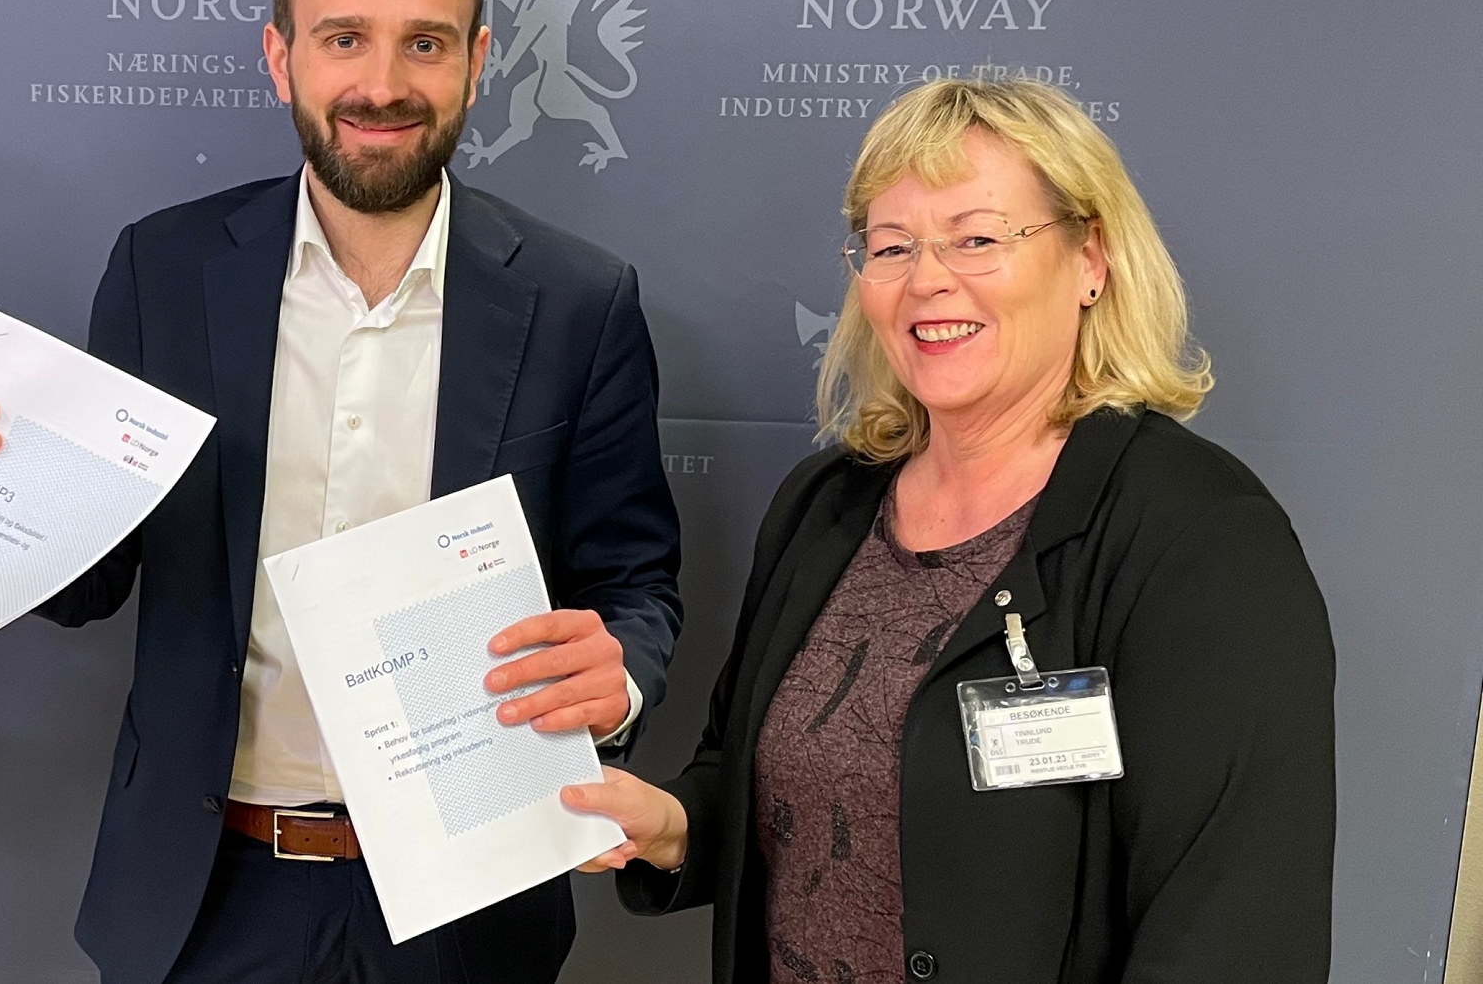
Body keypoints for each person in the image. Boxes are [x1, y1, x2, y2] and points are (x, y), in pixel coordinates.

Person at [0, 0, 684, 984]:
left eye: (424, 42)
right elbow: (87, 578)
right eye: (344, 38)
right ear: (280, 55)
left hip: (469, 898)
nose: (382, 84)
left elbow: (635, 580)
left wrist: (619, 676)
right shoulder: (164, 270)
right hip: (204, 893)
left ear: (477, 60)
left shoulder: (579, 300)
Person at [564, 77, 1335, 982]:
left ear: (1091, 259)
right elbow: (761, 780)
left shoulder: (1198, 537)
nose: (928, 280)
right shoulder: (826, 506)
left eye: (977, 238)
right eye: (893, 246)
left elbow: (1232, 931)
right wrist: (675, 826)